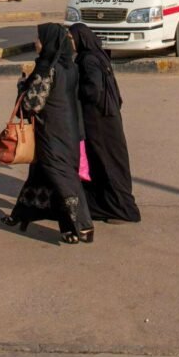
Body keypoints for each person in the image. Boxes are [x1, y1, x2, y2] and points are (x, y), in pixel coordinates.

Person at [1, 23, 94, 244]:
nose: (36, 42)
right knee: (41, 174)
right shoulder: (69, 66)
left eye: (39, 38)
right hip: (69, 128)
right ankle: (23, 214)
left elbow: (32, 105)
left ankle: (83, 225)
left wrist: (22, 87)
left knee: (61, 175)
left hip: (52, 131)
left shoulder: (47, 69)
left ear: (49, 42)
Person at [68, 23, 141, 224]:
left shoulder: (88, 60)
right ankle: (111, 203)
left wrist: (73, 91)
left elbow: (93, 90)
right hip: (108, 118)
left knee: (107, 163)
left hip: (99, 121)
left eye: (71, 39)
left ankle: (121, 209)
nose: (70, 43)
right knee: (111, 162)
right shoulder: (97, 55)